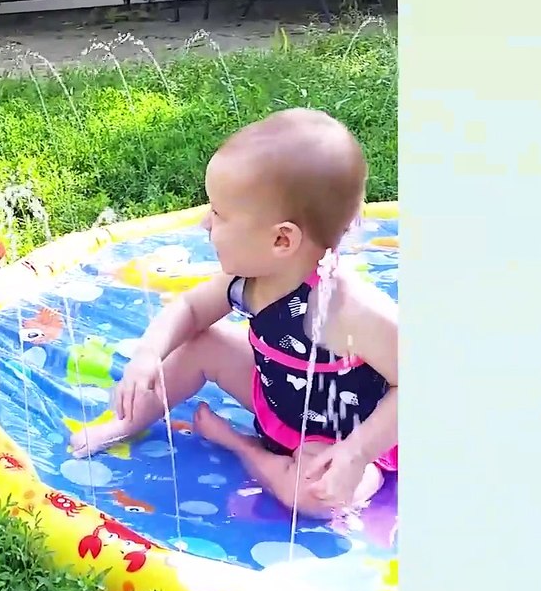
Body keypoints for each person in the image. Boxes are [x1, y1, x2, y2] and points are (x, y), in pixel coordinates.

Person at [69, 108, 398, 518]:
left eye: (219, 213)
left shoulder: (346, 306)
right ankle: (128, 422)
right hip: (277, 401)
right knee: (200, 344)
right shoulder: (245, 279)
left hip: (344, 436)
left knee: (323, 500)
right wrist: (148, 355)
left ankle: (241, 446)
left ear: (282, 240)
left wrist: (356, 453)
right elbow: (189, 308)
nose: (205, 223)